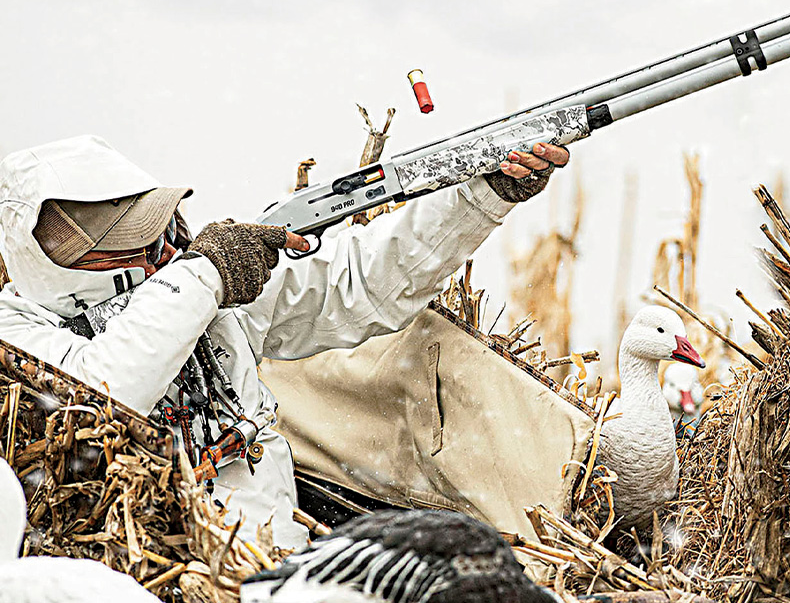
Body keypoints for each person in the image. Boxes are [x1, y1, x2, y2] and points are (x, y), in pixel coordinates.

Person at [0, 135, 569, 549]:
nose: (162, 252)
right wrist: (204, 274)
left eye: (159, 229)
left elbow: (363, 284)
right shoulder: (16, 338)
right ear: (54, 265)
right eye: (133, 244)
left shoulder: (198, 283)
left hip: (276, 568)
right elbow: (103, 393)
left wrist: (481, 195)